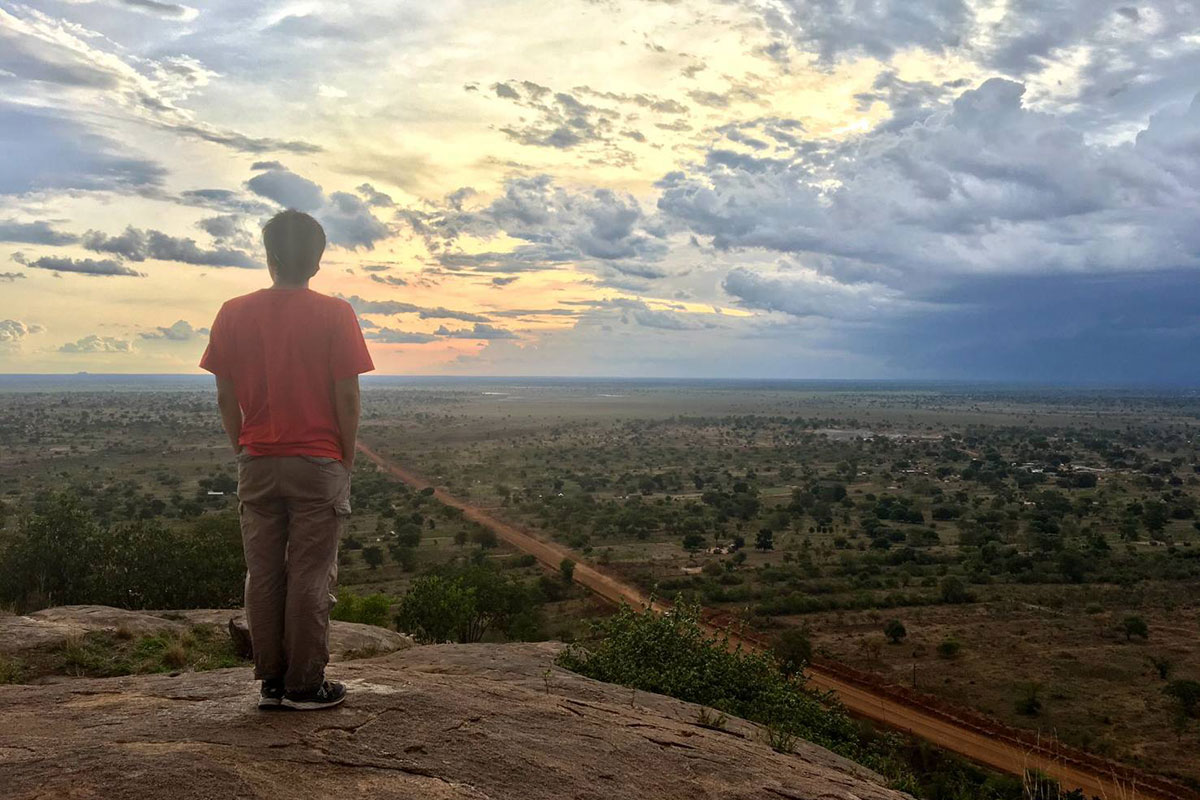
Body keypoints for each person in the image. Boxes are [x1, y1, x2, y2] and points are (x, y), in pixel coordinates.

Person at [199, 209, 374, 711]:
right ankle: (304, 684)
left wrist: (243, 447)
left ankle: (271, 681)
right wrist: (344, 457)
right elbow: (348, 398)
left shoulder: (232, 312)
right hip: (318, 461)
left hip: (257, 458)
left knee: (264, 572)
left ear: (269, 256)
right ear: (316, 263)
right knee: (310, 574)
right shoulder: (336, 314)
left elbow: (226, 397)